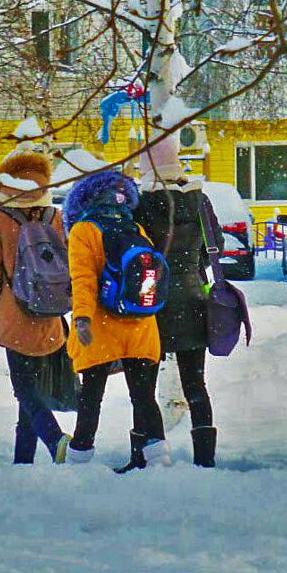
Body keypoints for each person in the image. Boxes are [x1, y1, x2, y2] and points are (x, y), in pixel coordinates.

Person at [63, 169, 168, 472]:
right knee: (143, 395)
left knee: (92, 394)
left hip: (100, 322)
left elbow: (82, 279)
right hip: (139, 320)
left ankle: (80, 457)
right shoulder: (135, 227)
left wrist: (81, 317)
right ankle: (156, 455)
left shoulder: (84, 230)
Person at [134, 134, 223, 467]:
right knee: (195, 383)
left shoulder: (139, 204)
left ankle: (148, 452)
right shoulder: (199, 200)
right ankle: (205, 458)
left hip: (150, 300)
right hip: (192, 297)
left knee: (143, 383)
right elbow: (216, 244)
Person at [0, 150, 71, 465]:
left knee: (24, 390)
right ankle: (23, 461)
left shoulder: (0, 219)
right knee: (30, 391)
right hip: (51, 312)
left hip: (14, 312)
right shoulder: (55, 215)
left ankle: (54, 437)